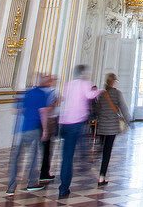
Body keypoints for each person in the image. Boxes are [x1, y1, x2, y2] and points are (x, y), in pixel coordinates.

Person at [6, 74, 55, 195]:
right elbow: (43, 112)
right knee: (33, 156)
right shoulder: (42, 94)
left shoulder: (25, 93)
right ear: (45, 83)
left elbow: (17, 110)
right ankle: (32, 182)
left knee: (16, 158)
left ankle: (11, 187)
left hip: (21, 129)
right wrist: (45, 130)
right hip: (34, 128)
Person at [57, 65, 97, 198]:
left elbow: (62, 99)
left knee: (66, 156)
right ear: (84, 74)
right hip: (77, 123)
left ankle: (63, 187)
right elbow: (90, 95)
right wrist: (101, 90)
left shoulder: (68, 85)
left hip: (65, 123)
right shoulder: (85, 84)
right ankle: (84, 162)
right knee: (81, 145)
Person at [93, 73, 130, 187]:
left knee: (102, 147)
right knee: (107, 151)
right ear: (114, 82)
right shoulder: (117, 93)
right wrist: (128, 120)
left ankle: (98, 161)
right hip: (111, 127)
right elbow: (123, 108)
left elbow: (97, 110)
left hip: (102, 126)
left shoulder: (101, 94)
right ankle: (102, 175)